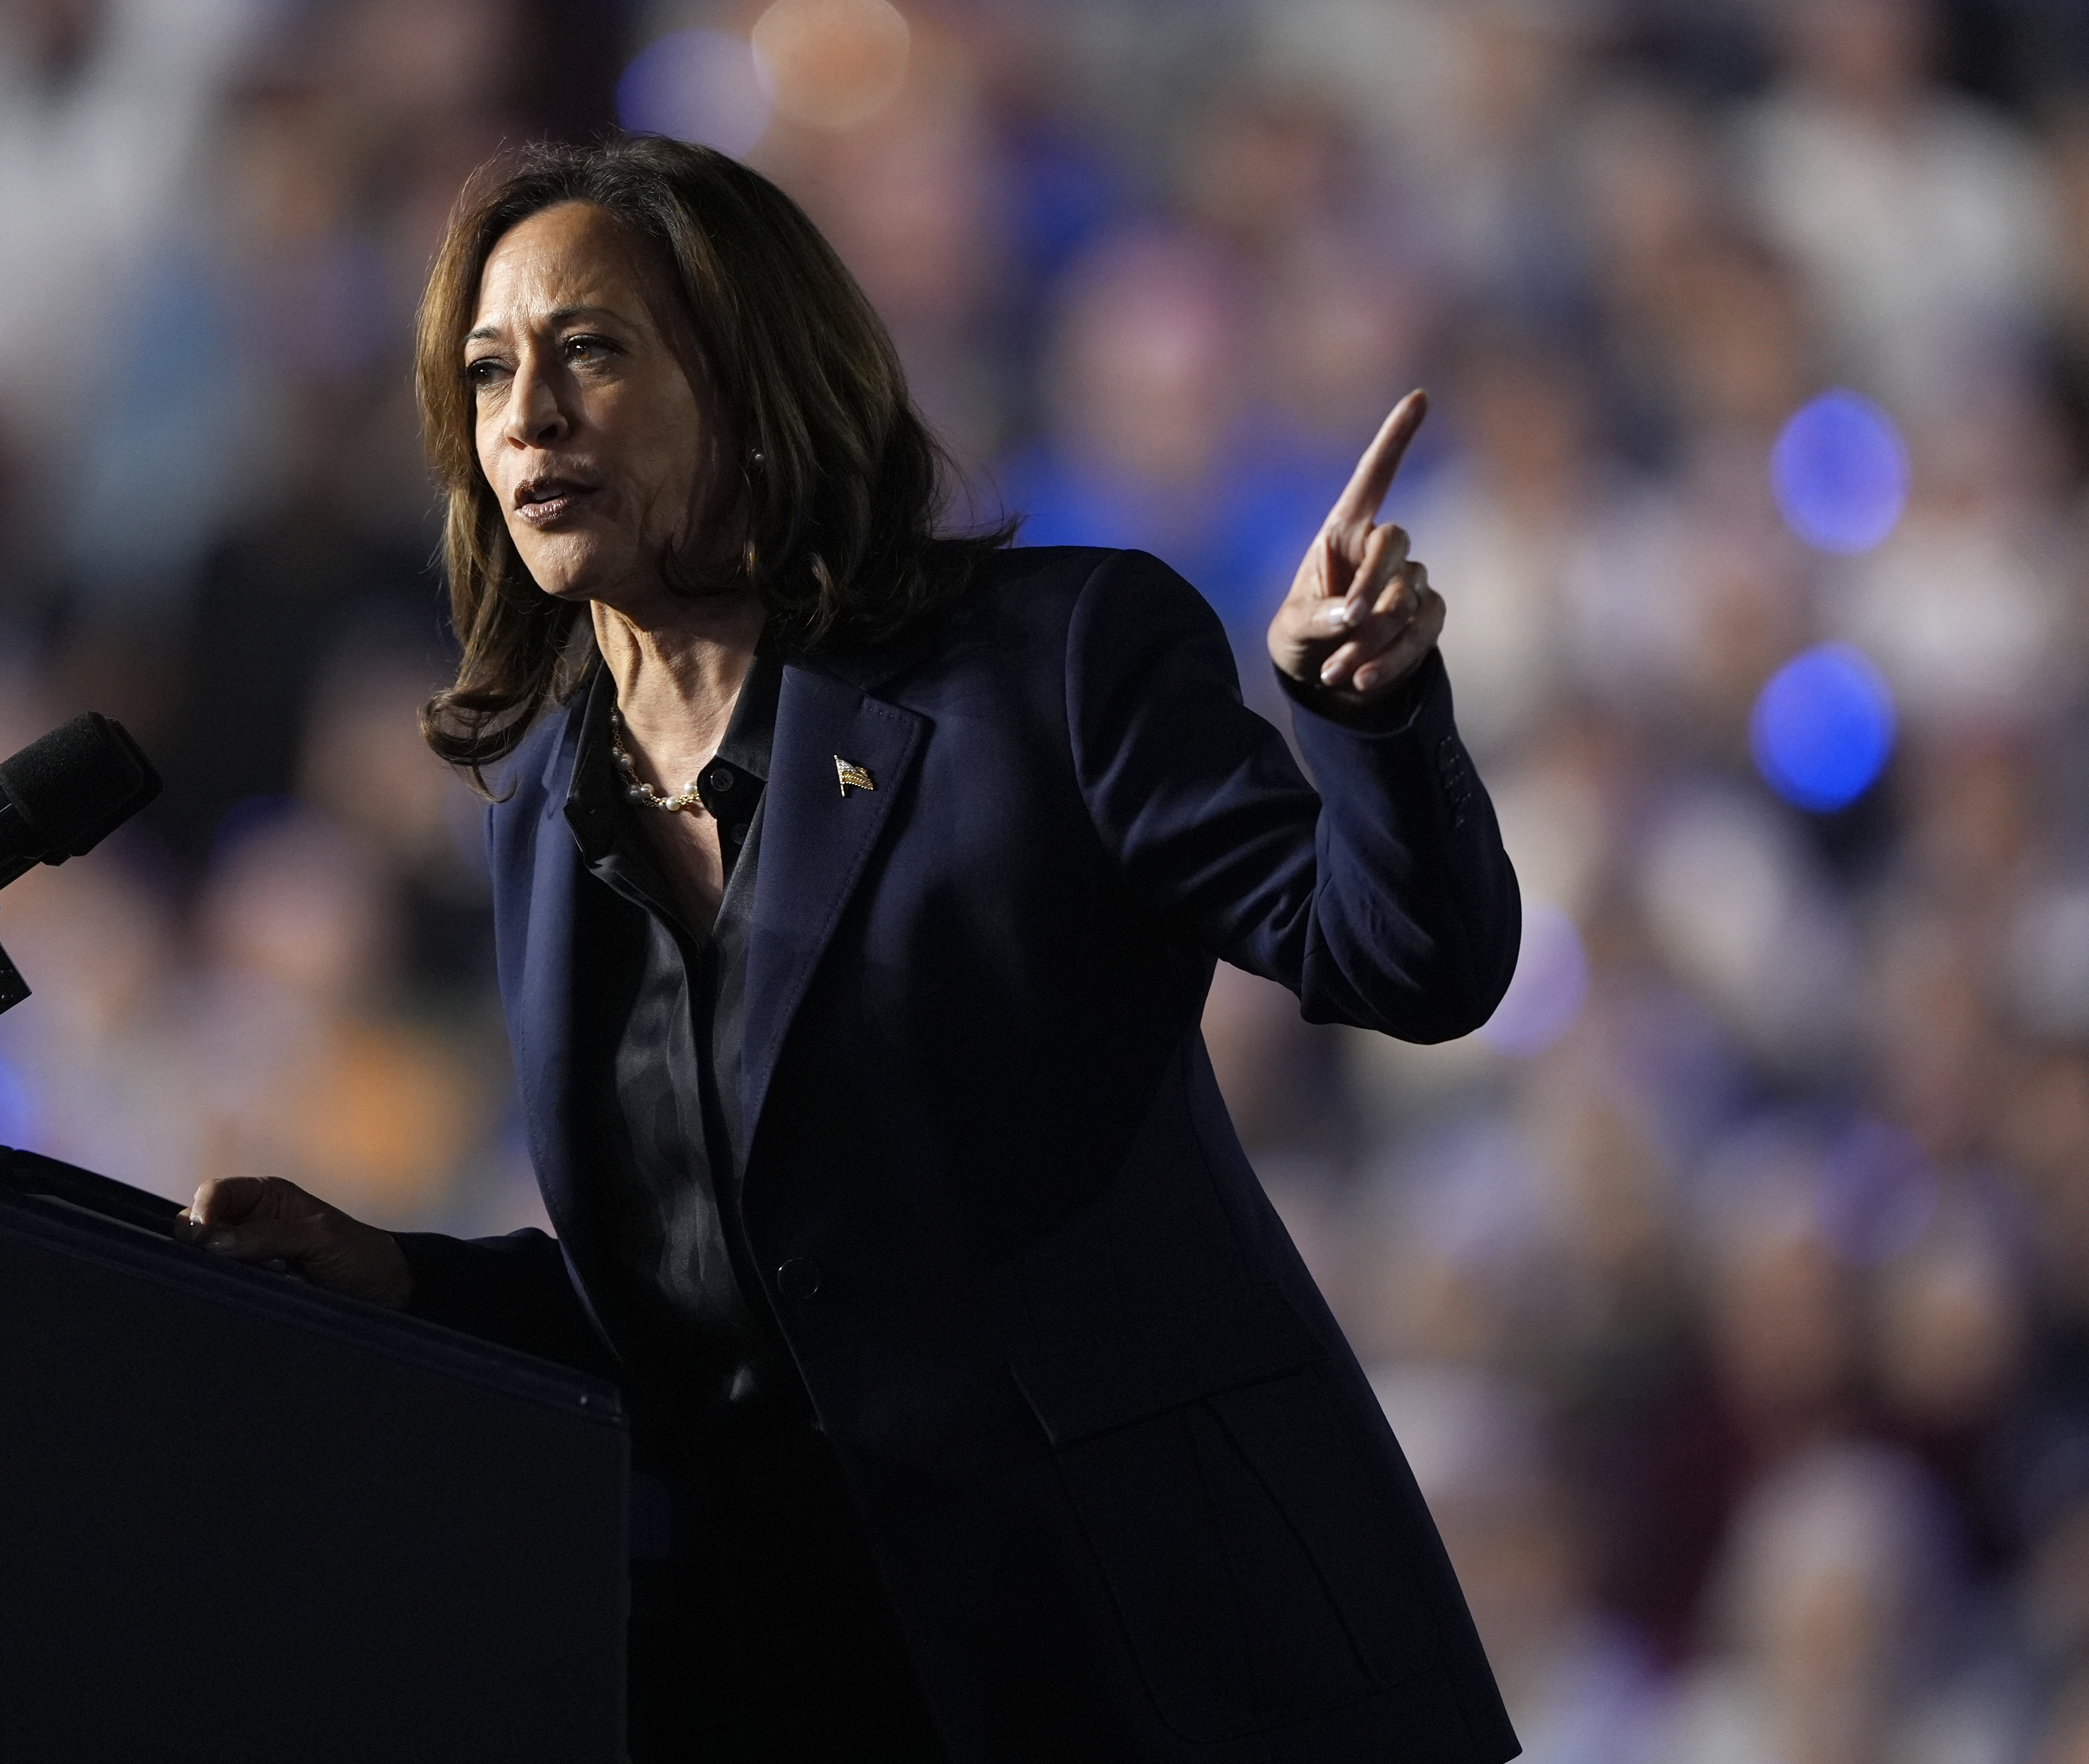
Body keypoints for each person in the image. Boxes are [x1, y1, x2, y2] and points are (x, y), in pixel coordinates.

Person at [179, 135, 1523, 1764]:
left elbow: (1411, 964)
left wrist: (1361, 712)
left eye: (592, 349)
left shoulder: (1052, 665)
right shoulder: (545, 800)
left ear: (755, 382)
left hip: (1177, 1661)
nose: (526, 413)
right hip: (805, 1688)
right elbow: (709, 1299)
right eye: (487, 370)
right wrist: (406, 1275)